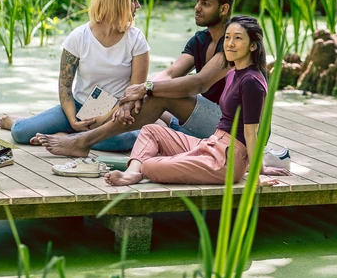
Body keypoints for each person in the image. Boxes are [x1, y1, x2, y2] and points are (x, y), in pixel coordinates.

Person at [32, 0, 236, 156]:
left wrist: (144, 89)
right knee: (155, 93)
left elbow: (199, 83)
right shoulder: (201, 39)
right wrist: (136, 95)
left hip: (231, 127)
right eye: (197, 2)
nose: (197, 8)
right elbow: (170, 72)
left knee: (158, 94)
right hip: (195, 120)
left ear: (224, 9)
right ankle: (81, 134)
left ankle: (82, 141)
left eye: (205, 4)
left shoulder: (233, 40)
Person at [104, 15, 274, 186]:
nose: (230, 43)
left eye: (238, 38)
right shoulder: (233, 73)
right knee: (151, 131)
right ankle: (133, 173)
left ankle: (146, 168)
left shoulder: (252, 82)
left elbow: (252, 133)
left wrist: (257, 175)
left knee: (148, 165)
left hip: (227, 161)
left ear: (253, 45)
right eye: (227, 37)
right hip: (211, 143)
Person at [0, 0, 149, 151]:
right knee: (21, 133)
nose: (138, 5)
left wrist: (103, 119)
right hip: (78, 107)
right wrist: (72, 119)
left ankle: (66, 138)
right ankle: (19, 123)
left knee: (126, 140)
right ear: (117, 2)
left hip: (116, 114)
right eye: (133, 0)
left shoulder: (136, 40)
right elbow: (65, 86)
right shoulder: (78, 37)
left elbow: (134, 93)